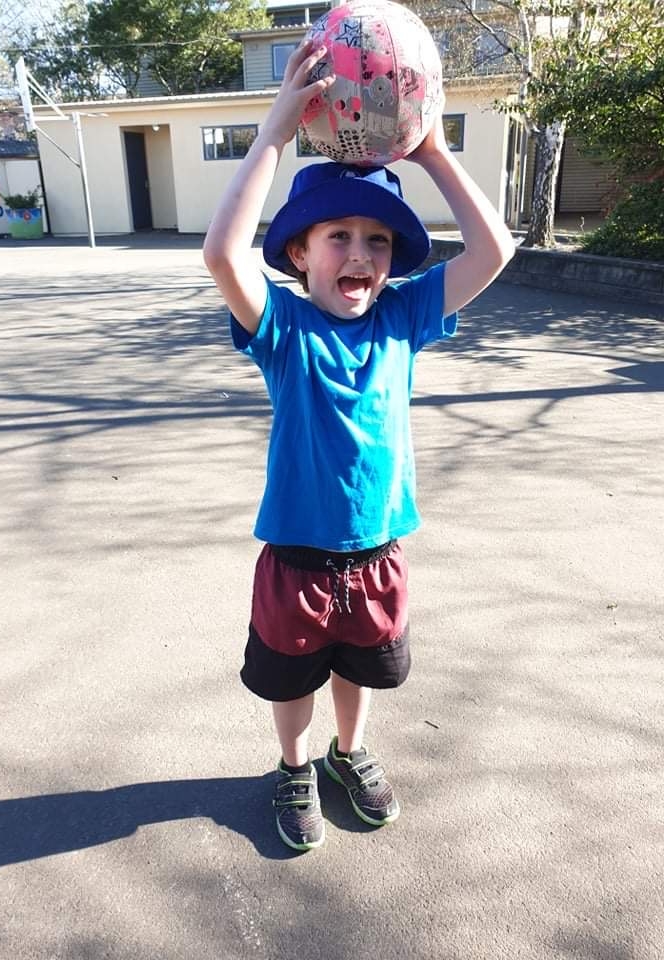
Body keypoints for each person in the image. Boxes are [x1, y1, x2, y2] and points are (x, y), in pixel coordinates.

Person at [203, 39, 515, 852]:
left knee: (361, 667)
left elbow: (496, 251)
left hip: (377, 549)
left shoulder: (402, 318)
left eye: (377, 241)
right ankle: (294, 765)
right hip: (298, 555)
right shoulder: (283, 326)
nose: (360, 253)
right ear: (299, 253)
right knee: (291, 677)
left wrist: (434, 151)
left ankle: (348, 752)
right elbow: (221, 254)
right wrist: (274, 132)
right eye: (337, 236)